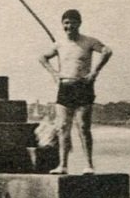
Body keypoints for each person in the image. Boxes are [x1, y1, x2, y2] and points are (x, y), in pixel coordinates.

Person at [37, 10, 113, 174]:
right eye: (66, 23)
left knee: (83, 127)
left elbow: (107, 51)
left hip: (83, 87)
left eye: (72, 23)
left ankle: (89, 165)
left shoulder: (89, 41)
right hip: (65, 87)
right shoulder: (59, 44)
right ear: (63, 24)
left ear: (79, 23)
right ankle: (62, 165)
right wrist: (54, 74)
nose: (69, 26)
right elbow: (42, 57)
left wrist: (94, 72)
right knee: (63, 127)